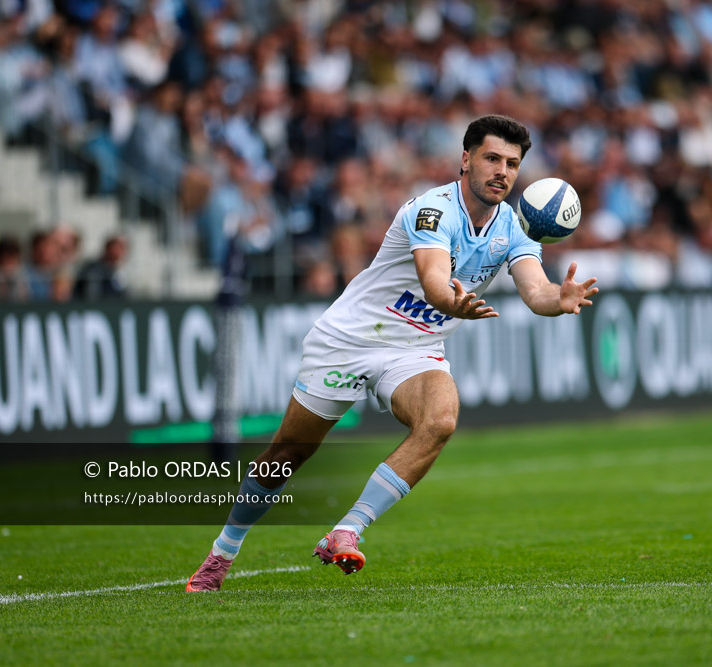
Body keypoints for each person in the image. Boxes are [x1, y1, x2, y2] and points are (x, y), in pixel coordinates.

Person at [187, 115, 598, 590]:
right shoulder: (432, 211)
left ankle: (346, 530)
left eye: (512, 163)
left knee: (440, 420)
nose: (502, 171)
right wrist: (452, 303)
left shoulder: (515, 226)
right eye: (491, 158)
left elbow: (536, 290)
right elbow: (433, 282)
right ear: (465, 160)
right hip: (350, 340)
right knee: (289, 452)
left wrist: (558, 301)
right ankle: (222, 552)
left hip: (415, 347)